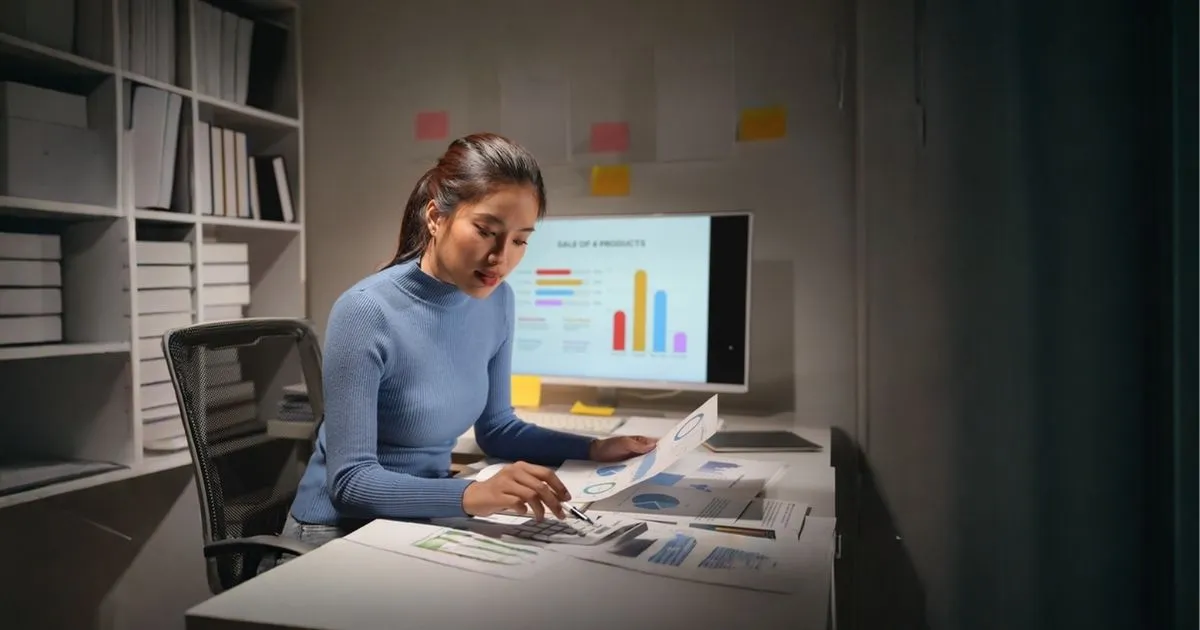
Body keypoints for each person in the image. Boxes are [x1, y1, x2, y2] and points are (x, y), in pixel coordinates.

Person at [280, 133, 656, 550]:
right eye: (485, 230)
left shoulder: (499, 300)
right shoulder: (365, 311)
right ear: (435, 217)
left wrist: (596, 448)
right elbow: (350, 483)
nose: (501, 257)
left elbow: (497, 429)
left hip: (421, 519)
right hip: (334, 534)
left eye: (520, 240)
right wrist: (472, 495)